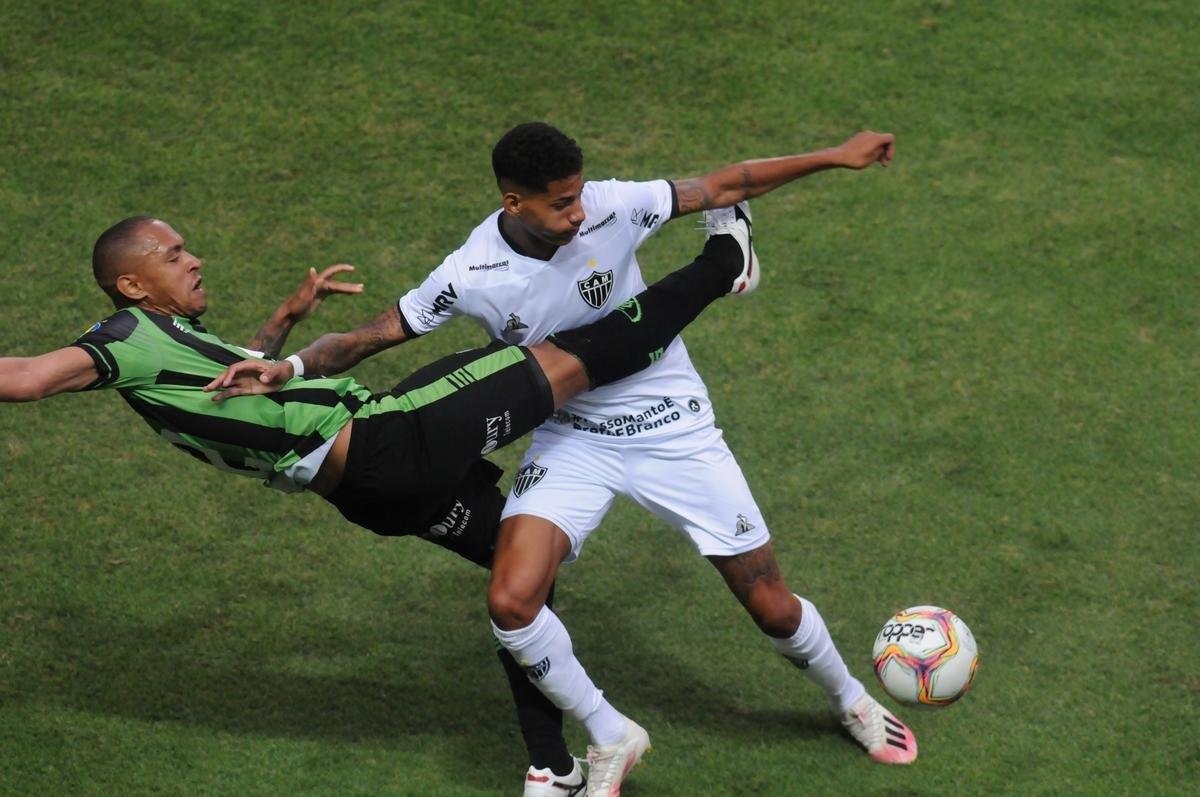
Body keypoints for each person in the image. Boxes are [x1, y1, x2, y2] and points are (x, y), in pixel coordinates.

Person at [215, 124, 915, 796]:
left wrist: (835, 156)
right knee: (511, 599)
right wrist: (293, 361)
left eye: (579, 195)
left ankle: (849, 697)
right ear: (511, 201)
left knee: (769, 603)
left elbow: (722, 184)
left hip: (673, 424)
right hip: (571, 437)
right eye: (560, 203)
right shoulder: (471, 271)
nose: (579, 213)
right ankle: (604, 737)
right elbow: (375, 333)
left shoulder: (613, 204)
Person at [0, 213, 757, 797]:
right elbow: (30, 376)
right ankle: (726, 259)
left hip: (370, 493)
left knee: (519, 578)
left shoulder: (170, 339)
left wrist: (285, 323)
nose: (193, 258)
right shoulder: (124, 335)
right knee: (587, 349)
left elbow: (257, 398)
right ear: (131, 285)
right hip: (391, 436)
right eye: (171, 255)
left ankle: (555, 765)